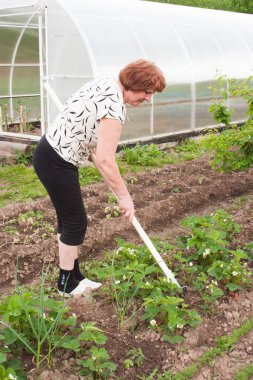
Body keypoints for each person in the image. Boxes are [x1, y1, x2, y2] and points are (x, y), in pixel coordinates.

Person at [33, 59, 166, 296]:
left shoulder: (106, 83)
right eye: (146, 92)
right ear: (132, 84)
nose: (148, 98)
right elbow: (105, 160)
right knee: (76, 222)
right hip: (56, 160)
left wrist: (89, 147)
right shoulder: (114, 108)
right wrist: (125, 197)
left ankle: (74, 276)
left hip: (52, 153)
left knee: (68, 220)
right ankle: (66, 284)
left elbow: (88, 127)